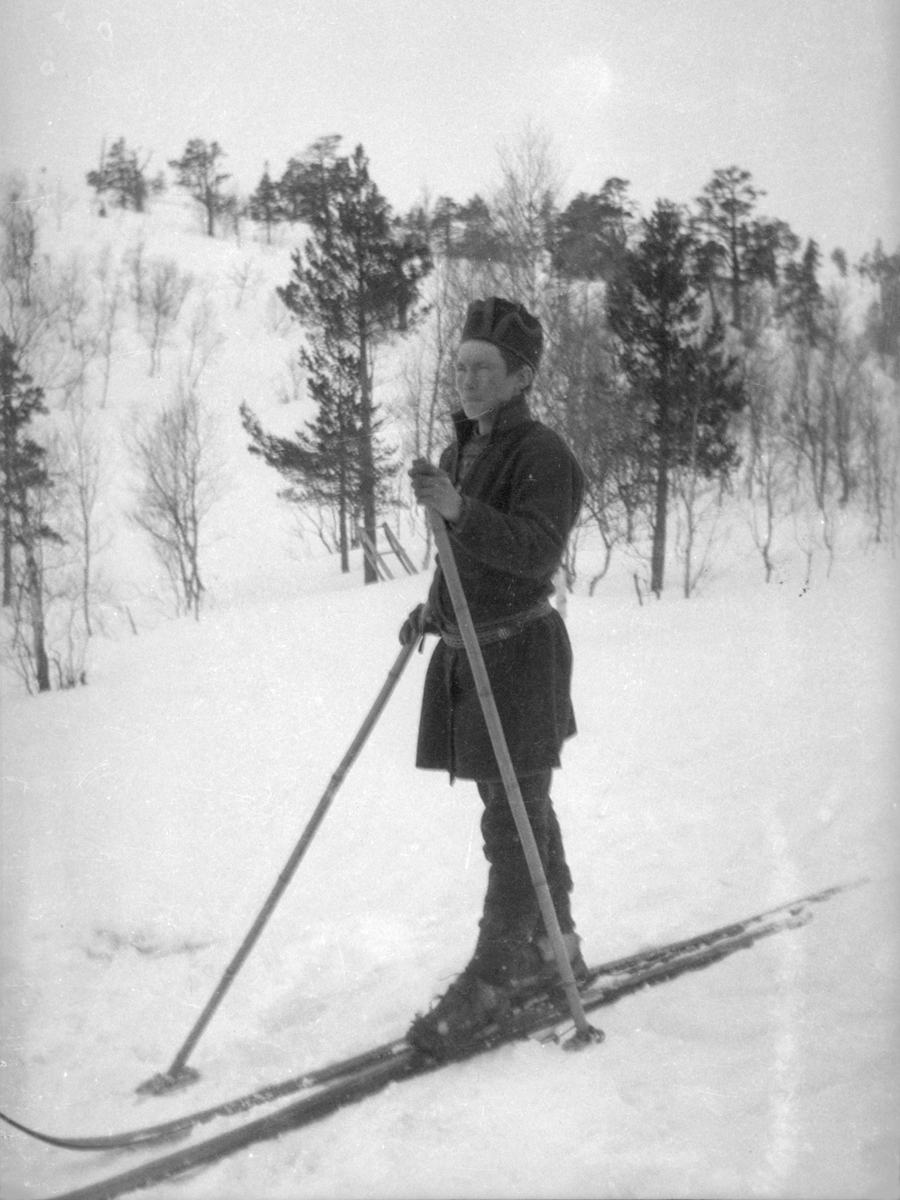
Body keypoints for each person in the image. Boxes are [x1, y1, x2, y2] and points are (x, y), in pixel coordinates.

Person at [401, 296, 586, 1058]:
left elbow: (534, 552)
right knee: (517, 805)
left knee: (512, 814)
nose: (469, 380)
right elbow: (465, 556)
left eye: (485, 369)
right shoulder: (460, 453)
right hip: (471, 654)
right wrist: (433, 609)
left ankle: (502, 969)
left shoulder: (545, 455)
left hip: (518, 657)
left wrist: (458, 509)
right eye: (463, 366)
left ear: (521, 377)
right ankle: (553, 944)